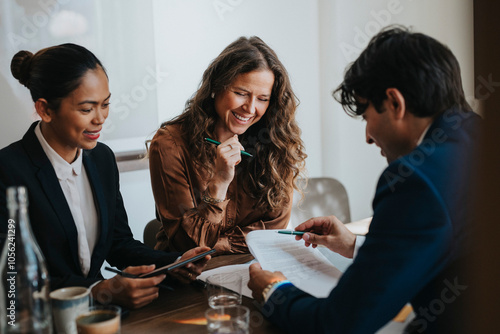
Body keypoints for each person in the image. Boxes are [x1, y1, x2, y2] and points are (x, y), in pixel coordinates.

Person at [248, 26, 481, 333]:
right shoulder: (477, 136)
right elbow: (437, 242)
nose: (369, 136)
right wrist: (355, 245)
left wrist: (274, 291)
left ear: (395, 103)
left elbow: (339, 324)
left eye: (366, 115)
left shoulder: (416, 179)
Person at [0, 44, 212, 310]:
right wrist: (98, 290)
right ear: (45, 110)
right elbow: (11, 279)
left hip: (100, 317)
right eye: (87, 109)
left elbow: (118, 242)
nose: (100, 119)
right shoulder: (7, 171)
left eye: (106, 104)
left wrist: (173, 263)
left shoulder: (101, 159)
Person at [149, 36, 306, 254]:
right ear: (216, 87)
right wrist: (219, 183)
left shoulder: (275, 142)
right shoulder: (170, 144)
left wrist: (216, 244)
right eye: (241, 94)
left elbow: (274, 226)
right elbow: (188, 246)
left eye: (262, 99)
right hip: (189, 277)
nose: (250, 109)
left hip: (250, 268)